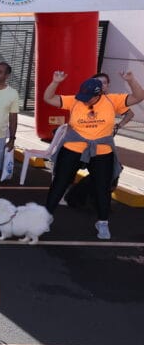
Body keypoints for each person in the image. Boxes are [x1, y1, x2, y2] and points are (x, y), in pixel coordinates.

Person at [43, 71, 144, 239]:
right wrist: (55, 82)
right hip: (74, 147)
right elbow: (49, 98)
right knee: (60, 182)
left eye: (88, 97)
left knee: (102, 187)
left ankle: (102, 222)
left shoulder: (113, 100)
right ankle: (45, 217)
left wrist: (131, 80)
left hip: (101, 150)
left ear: (99, 94)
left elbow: (139, 97)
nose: (84, 99)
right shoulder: (75, 100)